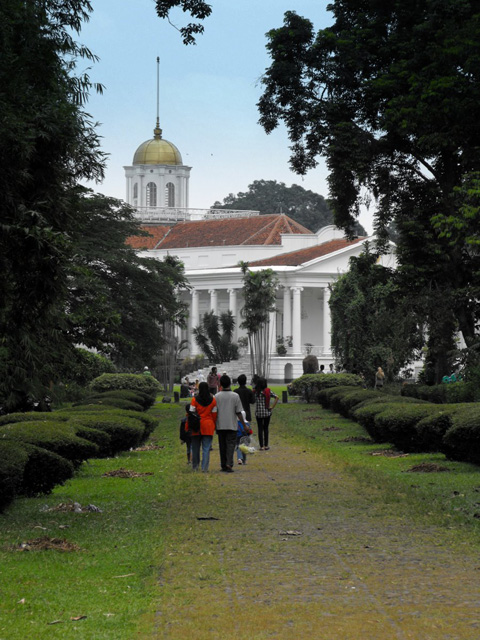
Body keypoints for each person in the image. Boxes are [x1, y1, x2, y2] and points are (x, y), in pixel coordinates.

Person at [215, 374, 247, 472]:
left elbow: (214, 412)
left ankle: (223, 464)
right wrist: (244, 425)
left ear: (220, 384)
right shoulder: (235, 396)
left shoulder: (216, 396)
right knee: (230, 445)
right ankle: (229, 463)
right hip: (232, 425)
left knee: (222, 445)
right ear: (230, 383)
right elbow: (239, 412)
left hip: (220, 425)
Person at [189, 382, 217, 472]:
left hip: (196, 425)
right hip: (208, 425)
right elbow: (214, 414)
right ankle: (204, 468)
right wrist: (214, 424)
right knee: (206, 448)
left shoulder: (194, 400)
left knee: (195, 447)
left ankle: (195, 466)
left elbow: (191, 412)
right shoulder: (213, 400)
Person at [254, 377, 278, 451]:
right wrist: (272, 407)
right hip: (267, 412)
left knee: (260, 429)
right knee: (266, 428)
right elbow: (277, 397)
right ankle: (266, 445)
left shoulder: (255, 392)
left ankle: (261, 446)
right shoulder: (268, 391)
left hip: (258, 413)